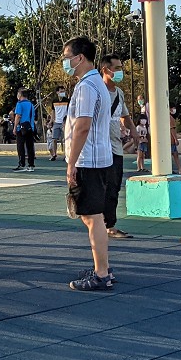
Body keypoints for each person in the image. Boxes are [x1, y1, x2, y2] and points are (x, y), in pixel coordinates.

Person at [62, 37, 114, 292]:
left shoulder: (86, 86)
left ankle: (102, 273)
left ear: (80, 57)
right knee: (92, 216)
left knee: (92, 217)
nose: (65, 62)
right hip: (99, 159)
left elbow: (82, 127)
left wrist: (71, 163)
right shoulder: (98, 84)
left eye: (67, 57)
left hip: (88, 161)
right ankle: (101, 265)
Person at [100, 55, 139, 241]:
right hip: (99, 147)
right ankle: (98, 223)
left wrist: (134, 131)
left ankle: (109, 225)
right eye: (117, 68)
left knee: (114, 187)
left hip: (115, 147)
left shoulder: (119, 93)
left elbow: (125, 115)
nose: (120, 71)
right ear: (105, 70)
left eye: (121, 67)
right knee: (100, 187)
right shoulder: (96, 91)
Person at [12, 89, 37, 173]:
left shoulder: (19, 104)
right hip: (30, 127)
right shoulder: (31, 104)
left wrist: (15, 127)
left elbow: (18, 116)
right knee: (30, 146)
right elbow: (33, 116)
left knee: (20, 146)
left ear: (20, 95)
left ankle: (22, 163)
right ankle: (31, 164)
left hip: (21, 128)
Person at [50, 87, 69, 160]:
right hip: (56, 122)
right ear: (57, 92)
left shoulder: (67, 101)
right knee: (54, 139)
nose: (62, 93)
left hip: (65, 122)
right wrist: (51, 121)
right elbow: (53, 111)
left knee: (65, 139)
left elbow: (70, 110)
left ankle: (66, 155)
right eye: (61, 91)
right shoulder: (54, 101)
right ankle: (54, 154)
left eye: (63, 91)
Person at [170, 109, 181, 175]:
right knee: (175, 154)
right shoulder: (170, 118)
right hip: (171, 140)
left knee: (174, 154)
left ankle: (176, 169)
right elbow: (172, 129)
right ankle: (180, 169)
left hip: (169, 140)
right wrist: (175, 139)